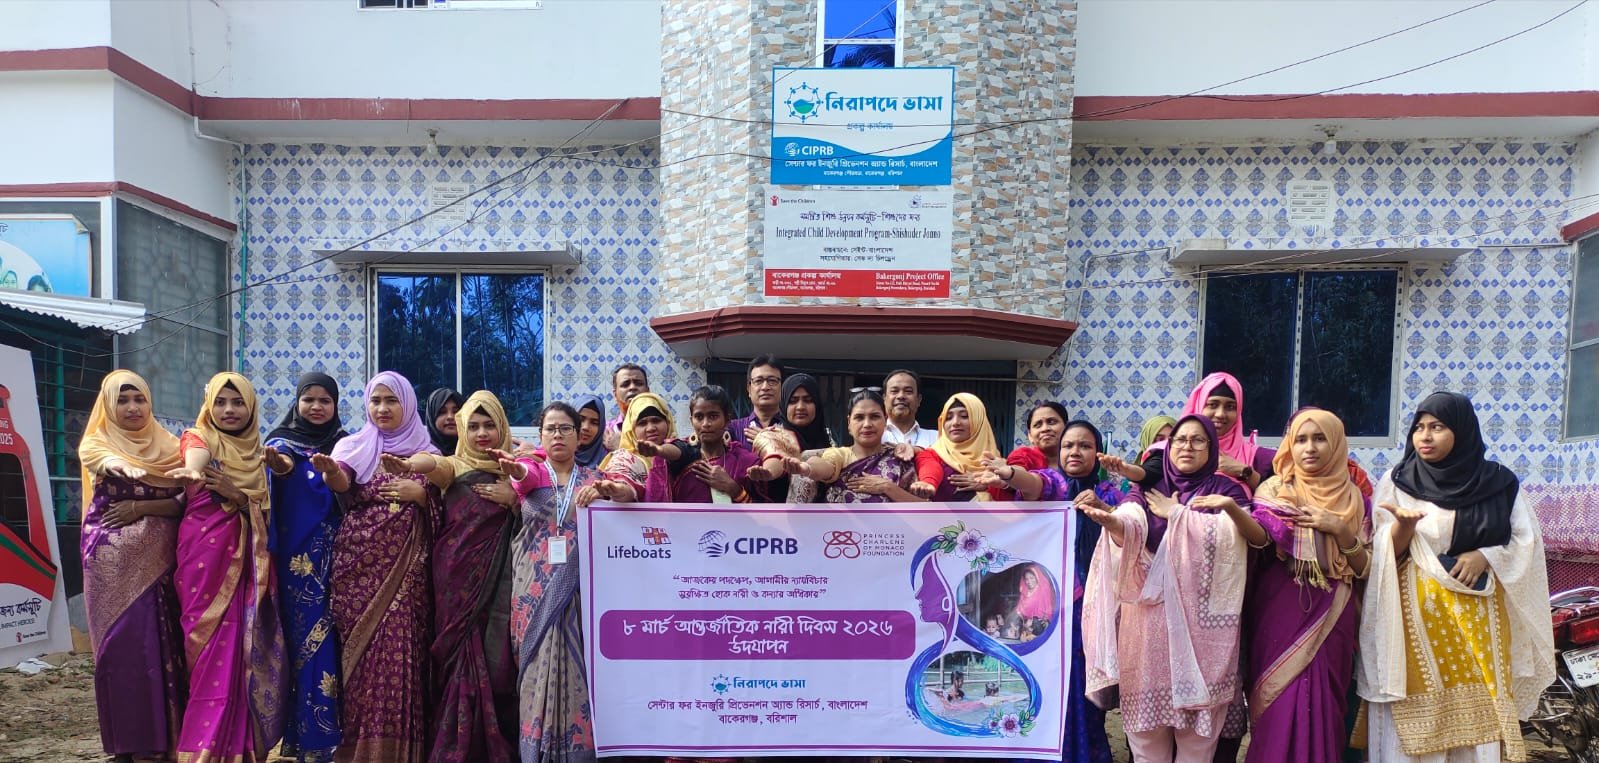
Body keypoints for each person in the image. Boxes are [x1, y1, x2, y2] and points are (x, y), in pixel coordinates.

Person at [1358, 392, 1554, 762]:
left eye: (1437, 427)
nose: (1425, 436)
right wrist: (1402, 527)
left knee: (1479, 715)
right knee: (1416, 711)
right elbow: (1382, 552)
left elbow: (1525, 542)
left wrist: (1486, 555)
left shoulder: (1499, 483)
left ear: (1462, 431)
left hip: (1477, 620)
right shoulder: (1397, 481)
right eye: (1419, 427)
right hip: (1413, 620)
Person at [1081, 415, 1259, 763]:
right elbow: (1131, 521)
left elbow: (1239, 540)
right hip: (1148, 631)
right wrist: (1112, 521)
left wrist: (1178, 514)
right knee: (1147, 743)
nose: (1187, 447)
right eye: (1180, 440)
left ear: (1211, 448)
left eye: (1197, 440)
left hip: (1204, 633)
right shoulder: (1148, 489)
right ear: (1168, 446)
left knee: (1197, 744)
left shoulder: (1227, 491)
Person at [312, 371, 441, 762]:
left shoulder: (428, 451)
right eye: (375, 400)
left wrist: (422, 496)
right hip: (357, 570)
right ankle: (358, 749)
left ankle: (399, 752)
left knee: (399, 654)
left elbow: (449, 510)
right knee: (361, 660)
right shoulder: (353, 445)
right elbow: (341, 482)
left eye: (391, 400)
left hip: (407, 575)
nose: (382, 409)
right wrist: (331, 472)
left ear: (408, 404)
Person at [168, 372, 286, 762]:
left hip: (249, 562)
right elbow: (196, 455)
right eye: (220, 402)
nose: (229, 410)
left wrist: (239, 497)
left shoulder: (261, 456)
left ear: (251, 407)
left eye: (238, 402)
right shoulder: (199, 436)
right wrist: (193, 470)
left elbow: (271, 517)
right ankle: (201, 747)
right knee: (206, 650)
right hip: (204, 558)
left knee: (243, 651)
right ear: (209, 405)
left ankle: (240, 748)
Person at [987, 419, 1119, 763]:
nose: (1075, 452)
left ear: (1098, 453)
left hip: (1093, 605)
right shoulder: (1055, 484)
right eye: (1068, 445)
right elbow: (1033, 484)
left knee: (1085, 687)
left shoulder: (1110, 494)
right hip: (1048, 609)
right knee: (1047, 680)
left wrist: (1105, 511)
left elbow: (1128, 530)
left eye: (1085, 446)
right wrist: (1010, 474)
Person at [416, 391, 536, 762]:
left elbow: (543, 514)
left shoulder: (519, 469)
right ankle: (455, 743)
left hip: (502, 579)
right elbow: (433, 465)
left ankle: (496, 743)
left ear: (502, 427)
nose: (482, 433)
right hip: (454, 575)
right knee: (457, 654)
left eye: (489, 425)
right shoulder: (454, 465)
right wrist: (409, 464)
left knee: (498, 658)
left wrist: (515, 500)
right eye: (474, 426)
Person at [1245, 409, 1370, 762]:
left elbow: (1364, 568)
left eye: (1320, 439)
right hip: (1279, 611)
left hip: (1334, 613)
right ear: (1290, 445)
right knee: (1278, 700)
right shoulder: (1274, 490)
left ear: (1337, 445)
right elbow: (1263, 537)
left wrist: (1340, 530)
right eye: (1300, 439)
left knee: (1325, 704)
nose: (1310, 448)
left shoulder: (1356, 499)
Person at [78, 370, 188, 763]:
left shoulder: (171, 447)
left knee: (159, 644)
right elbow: (100, 458)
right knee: (119, 648)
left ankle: (163, 741)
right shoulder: (97, 442)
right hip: (109, 562)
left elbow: (184, 502)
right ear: (109, 405)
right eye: (122, 400)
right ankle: (126, 744)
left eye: (138, 398)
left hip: (161, 561)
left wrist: (141, 506)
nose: (132, 407)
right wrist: (121, 465)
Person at [507, 402, 605, 763]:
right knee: (536, 667)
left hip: (581, 592)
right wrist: (515, 468)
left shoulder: (596, 478)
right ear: (541, 435)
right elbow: (521, 477)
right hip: (532, 590)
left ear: (579, 436)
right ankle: (536, 752)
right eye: (551, 428)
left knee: (581, 667)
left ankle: (580, 753)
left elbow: (629, 494)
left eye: (566, 428)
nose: (558, 435)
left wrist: (608, 493)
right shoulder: (532, 472)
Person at [262, 372, 348, 762]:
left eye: (325, 400)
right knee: (303, 646)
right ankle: (309, 738)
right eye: (308, 399)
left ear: (335, 405)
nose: (316, 407)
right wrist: (280, 467)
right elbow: (278, 469)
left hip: (339, 559)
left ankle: (333, 735)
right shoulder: (280, 444)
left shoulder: (347, 444)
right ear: (296, 403)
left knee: (337, 643)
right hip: (295, 566)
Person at [779, 389, 920, 504]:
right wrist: (805, 468)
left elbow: (925, 509)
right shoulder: (840, 455)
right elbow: (824, 466)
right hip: (837, 530)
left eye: (874, 417)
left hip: (890, 531)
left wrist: (887, 487)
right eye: (859, 417)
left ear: (885, 420)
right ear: (849, 423)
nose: (867, 424)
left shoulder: (901, 458)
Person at [641, 385, 766, 503]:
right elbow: (675, 450)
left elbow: (764, 512)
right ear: (691, 421)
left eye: (713, 416)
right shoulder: (686, 453)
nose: (706, 423)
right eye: (699, 417)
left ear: (727, 420)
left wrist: (734, 489)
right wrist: (659, 450)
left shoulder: (744, 461)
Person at [911, 393, 1003, 502]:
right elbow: (930, 467)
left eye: (964, 416)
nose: (955, 423)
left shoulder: (996, 460)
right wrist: (928, 482)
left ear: (979, 421)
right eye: (948, 418)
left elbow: (1013, 496)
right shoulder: (933, 454)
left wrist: (989, 485)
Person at [592, 392, 675, 502]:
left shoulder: (681, 452)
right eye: (642, 423)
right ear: (632, 430)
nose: (650, 428)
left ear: (668, 422)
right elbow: (623, 482)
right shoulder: (625, 459)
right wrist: (619, 490)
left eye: (656, 420)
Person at [730, 355, 784, 445]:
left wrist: (766, 441)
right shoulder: (733, 429)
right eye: (759, 381)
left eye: (772, 380)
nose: (765, 387)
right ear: (749, 389)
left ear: (782, 388)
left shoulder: (792, 429)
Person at [882, 369, 938, 447]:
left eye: (908, 391)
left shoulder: (936, 438)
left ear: (919, 400)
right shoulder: (873, 436)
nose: (901, 396)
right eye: (894, 391)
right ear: (884, 398)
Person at [601, 363, 649, 451]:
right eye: (625, 384)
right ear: (615, 394)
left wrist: (621, 448)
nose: (632, 387)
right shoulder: (605, 431)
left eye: (638, 383)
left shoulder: (658, 428)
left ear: (647, 391)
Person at [571, 394, 608, 469]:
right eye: (580, 420)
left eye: (594, 423)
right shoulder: (555, 454)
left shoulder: (609, 461)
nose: (586, 427)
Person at [426, 387, 465, 454]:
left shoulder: (477, 450)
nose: (450, 417)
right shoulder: (420, 451)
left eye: (456, 411)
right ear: (431, 417)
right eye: (442, 412)